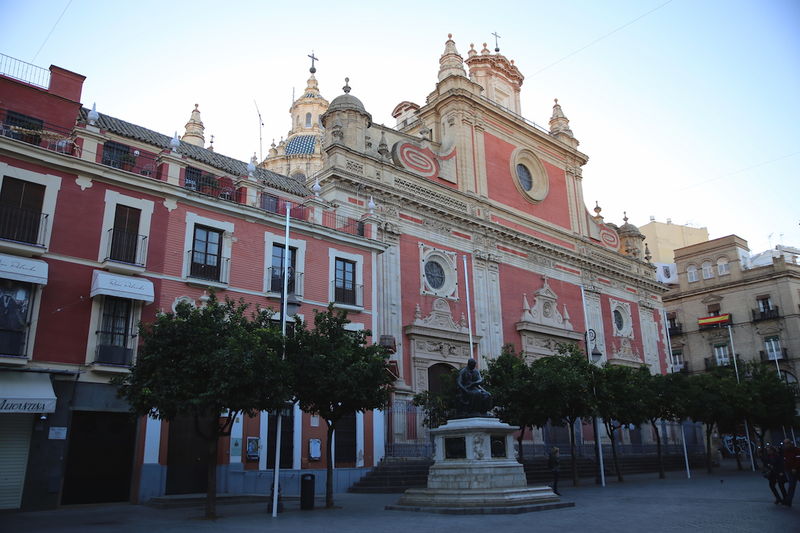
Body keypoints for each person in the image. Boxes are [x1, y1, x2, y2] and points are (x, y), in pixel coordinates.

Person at [782, 439, 800, 507]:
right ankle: (788, 501)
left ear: (790, 443)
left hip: (797, 470)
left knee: (791, 485)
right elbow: (785, 460)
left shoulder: (796, 450)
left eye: (787, 443)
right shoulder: (785, 451)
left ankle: (788, 500)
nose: (786, 445)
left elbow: (798, 459)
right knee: (791, 486)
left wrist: (795, 468)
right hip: (789, 470)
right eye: (785, 443)